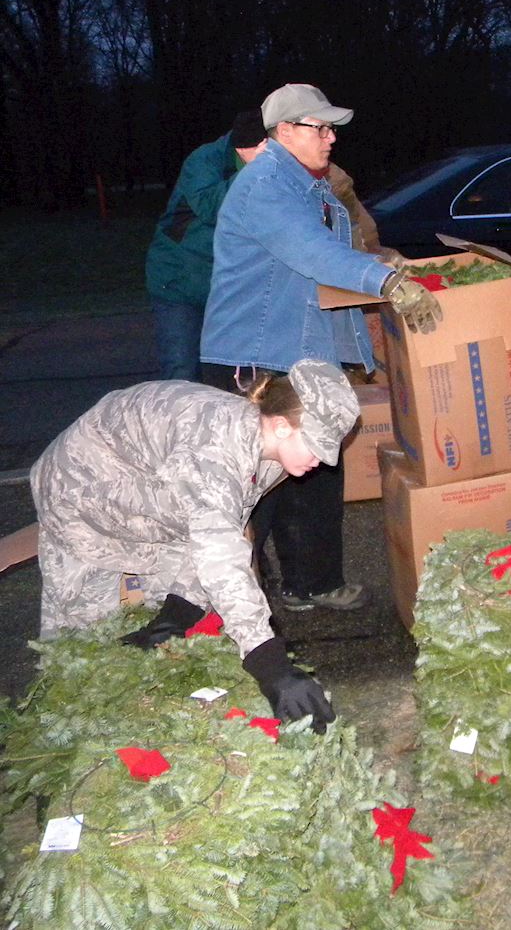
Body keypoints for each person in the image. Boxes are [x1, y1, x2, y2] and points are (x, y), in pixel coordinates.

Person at [201, 82, 440, 612]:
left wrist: (386, 269)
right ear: (285, 131)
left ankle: (312, 584)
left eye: (332, 128)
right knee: (253, 490)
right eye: (321, 128)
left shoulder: (311, 185)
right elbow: (312, 253)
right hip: (256, 358)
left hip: (296, 350)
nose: (331, 138)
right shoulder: (267, 186)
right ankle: (227, 608)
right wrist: (387, 284)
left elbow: (336, 257)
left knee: (313, 476)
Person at [29, 359, 360, 732]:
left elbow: (220, 530)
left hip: (154, 499)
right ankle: (53, 734)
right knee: (82, 648)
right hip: (80, 496)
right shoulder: (215, 452)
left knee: (158, 630)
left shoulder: (268, 446)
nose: (322, 462)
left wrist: (177, 614)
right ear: (282, 426)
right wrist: (272, 667)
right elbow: (220, 559)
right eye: (316, 447)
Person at [145, 110, 267, 381]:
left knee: (235, 375)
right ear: (246, 146)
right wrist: (255, 171)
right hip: (178, 282)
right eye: (265, 149)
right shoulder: (204, 160)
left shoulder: (263, 168)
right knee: (182, 372)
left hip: (226, 287)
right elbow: (211, 207)